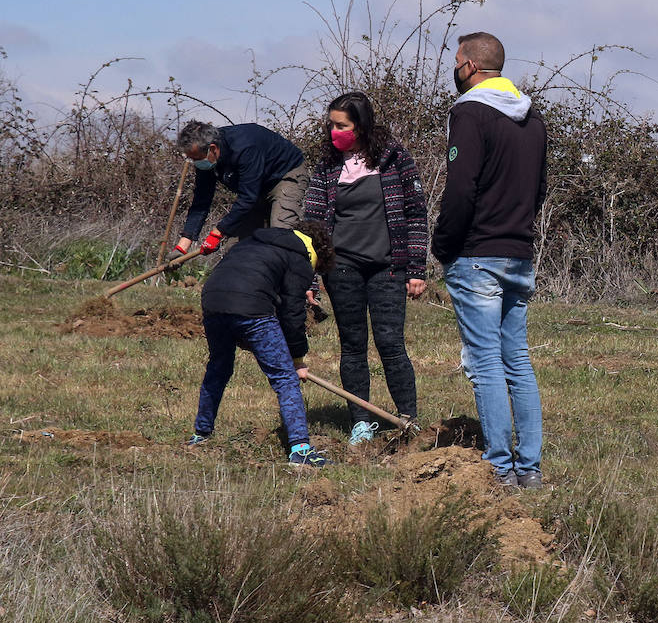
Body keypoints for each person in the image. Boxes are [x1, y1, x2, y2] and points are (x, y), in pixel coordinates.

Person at [434, 31, 548, 489]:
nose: (454, 68)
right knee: (516, 361)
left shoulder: (469, 113)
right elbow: (538, 190)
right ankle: (530, 470)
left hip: (477, 254)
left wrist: (445, 245)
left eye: (457, 60)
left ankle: (499, 470)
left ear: (469, 66)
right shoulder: (534, 118)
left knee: (485, 364)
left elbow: (461, 188)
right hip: (519, 252)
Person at [303, 92, 428, 444]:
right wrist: (310, 277)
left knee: (391, 343)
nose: (334, 131)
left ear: (361, 125)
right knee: (353, 344)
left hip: (389, 267)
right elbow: (312, 227)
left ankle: (408, 419)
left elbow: (416, 214)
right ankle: (361, 421)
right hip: (342, 269)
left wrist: (416, 267)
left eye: (341, 125)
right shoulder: (327, 166)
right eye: (331, 124)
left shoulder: (395, 159)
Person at [185, 221, 336, 467]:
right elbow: (292, 313)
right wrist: (297, 359)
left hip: (213, 300)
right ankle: (301, 450)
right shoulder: (300, 257)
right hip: (252, 308)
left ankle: (200, 435)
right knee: (284, 377)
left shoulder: (254, 241)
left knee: (218, 368)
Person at [173, 121, 309, 256]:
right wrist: (184, 243)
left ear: (213, 149)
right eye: (192, 159)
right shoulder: (205, 159)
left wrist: (217, 233)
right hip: (256, 186)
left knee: (280, 239)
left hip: (285, 175)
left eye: (196, 158)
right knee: (236, 250)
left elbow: (247, 198)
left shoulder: (245, 146)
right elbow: (201, 200)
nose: (196, 163)